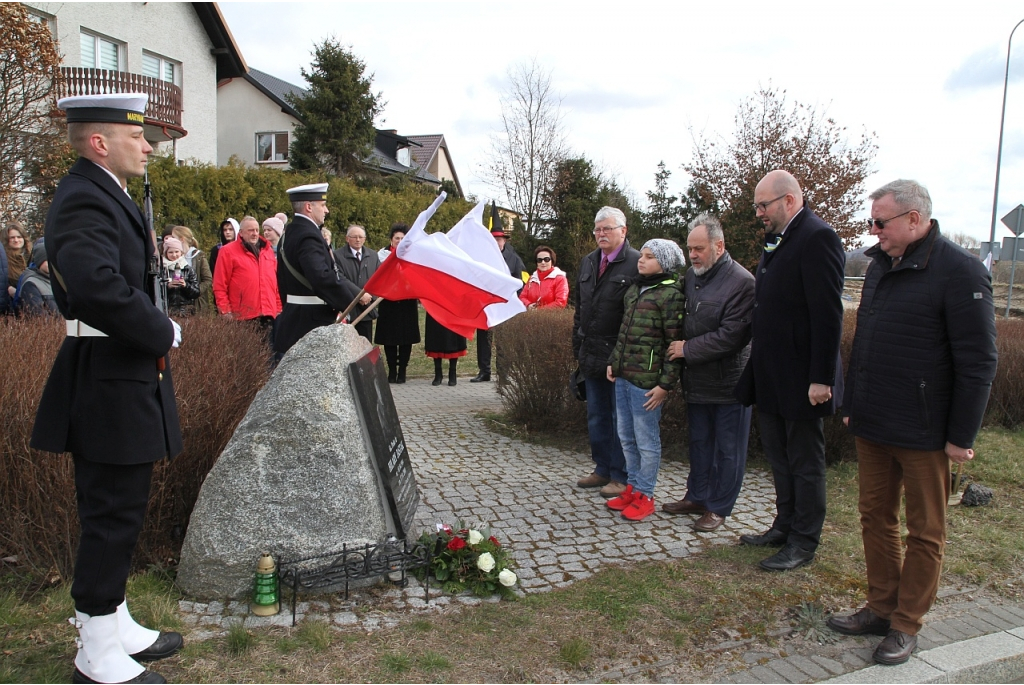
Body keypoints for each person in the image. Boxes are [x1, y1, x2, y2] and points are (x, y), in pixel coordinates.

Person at [30, 93, 183, 685]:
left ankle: (113, 623)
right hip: (106, 373)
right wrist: (159, 328)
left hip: (119, 371)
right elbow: (95, 284)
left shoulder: (103, 192)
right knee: (110, 512)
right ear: (100, 142)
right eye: (136, 136)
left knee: (123, 506)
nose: (147, 145)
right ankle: (95, 651)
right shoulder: (82, 198)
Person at [826, 180, 998, 665]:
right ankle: (881, 608)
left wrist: (961, 437)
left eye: (880, 222)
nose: (873, 231)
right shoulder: (880, 268)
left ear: (915, 219)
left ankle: (905, 624)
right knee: (875, 517)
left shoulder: (959, 272)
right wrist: (852, 403)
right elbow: (866, 345)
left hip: (927, 433)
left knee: (926, 532)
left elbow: (979, 361)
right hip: (875, 422)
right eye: (872, 222)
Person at [734, 169, 845, 572]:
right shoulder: (778, 240)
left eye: (764, 205)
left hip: (803, 377)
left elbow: (828, 314)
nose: (759, 212)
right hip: (773, 372)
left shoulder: (818, 237)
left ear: (790, 200)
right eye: (757, 206)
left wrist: (822, 377)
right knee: (779, 456)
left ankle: (803, 541)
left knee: (804, 461)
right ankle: (783, 525)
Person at [663, 215, 755, 532]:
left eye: (699, 249)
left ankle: (718, 507)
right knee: (699, 444)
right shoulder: (691, 276)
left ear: (719, 246)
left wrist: (687, 349)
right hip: (698, 382)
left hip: (729, 384)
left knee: (728, 451)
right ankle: (697, 496)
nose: (693, 255)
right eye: (690, 249)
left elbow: (733, 336)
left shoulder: (742, 282)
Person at [604, 239, 685, 521]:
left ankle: (646, 494)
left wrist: (665, 385)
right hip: (625, 376)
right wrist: (614, 362)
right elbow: (624, 330)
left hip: (648, 384)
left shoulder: (671, 294)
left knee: (646, 440)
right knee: (626, 437)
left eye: (650, 257)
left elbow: (673, 343)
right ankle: (632, 488)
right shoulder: (636, 288)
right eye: (643, 255)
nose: (642, 260)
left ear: (665, 263)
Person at [574, 206, 642, 499]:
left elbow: (638, 315)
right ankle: (602, 468)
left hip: (619, 358)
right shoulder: (588, 262)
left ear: (623, 231)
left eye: (607, 229)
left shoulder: (637, 263)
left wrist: (622, 356)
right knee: (597, 416)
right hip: (590, 354)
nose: (601, 234)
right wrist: (577, 346)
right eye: (597, 229)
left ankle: (620, 475)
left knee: (620, 420)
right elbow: (580, 310)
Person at [273, 183, 361, 356]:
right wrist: (349, 303)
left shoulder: (290, 232)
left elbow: (282, 279)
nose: (326, 210)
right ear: (308, 207)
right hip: (311, 322)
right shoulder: (308, 236)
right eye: (322, 205)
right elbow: (321, 276)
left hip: (294, 316)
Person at [470, 211, 525, 383]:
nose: (496, 242)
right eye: (493, 239)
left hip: (504, 305)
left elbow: (522, 280)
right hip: (486, 305)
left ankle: (503, 374)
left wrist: (513, 298)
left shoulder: (514, 259)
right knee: (484, 341)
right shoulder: (481, 258)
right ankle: (484, 371)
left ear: (504, 241)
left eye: (499, 239)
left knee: (503, 342)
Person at [213, 216, 281, 344]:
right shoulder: (227, 252)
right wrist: (225, 310)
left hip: (268, 314)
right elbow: (220, 284)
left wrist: (278, 307)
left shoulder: (267, 251)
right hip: (242, 316)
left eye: (256, 230)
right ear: (241, 233)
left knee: (269, 358)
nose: (255, 233)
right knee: (248, 358)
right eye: (250, 230)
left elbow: (275, 282)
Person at [374, 223, 420, 383]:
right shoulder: (381, 256)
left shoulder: (413, 256)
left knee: (406, 339)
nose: (399, 241)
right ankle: (392, 370)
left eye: (402, 239)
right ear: (391, 240)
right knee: (390, 339)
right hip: (388, 303)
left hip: (407, 302)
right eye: (397, 238)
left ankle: (402, 371)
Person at [334, 224, 380, 341]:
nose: (358, 240)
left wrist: (369, 297)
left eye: (360, 237)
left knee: (365, 345)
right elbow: (339, 277)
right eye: (354, 237)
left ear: (364, 239)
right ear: (347, 238)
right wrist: (359, 295)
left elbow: (378, 278)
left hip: (366, 309)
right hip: (348, 308)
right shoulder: (338, 256)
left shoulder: (373, 256)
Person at [170, 226, 212, 313]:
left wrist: (195, 291)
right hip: (177, 305)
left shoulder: (198, 257)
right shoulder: (173, 256)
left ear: (181, 239)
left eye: (174, 238)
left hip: (196, 304)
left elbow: (208, 279)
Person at [16, 240, 59, 316]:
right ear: (39, 261)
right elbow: (37, 315)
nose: (51, 263)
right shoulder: (31, 284)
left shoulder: (59, 281)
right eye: (47, 260)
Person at [519, 245, 569, 310]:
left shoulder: (560, 278)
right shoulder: (531, 278)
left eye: (546, 259)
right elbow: (522, 297)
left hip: (551, 318)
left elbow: (561, 302)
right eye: (539, 260)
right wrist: (528, 305)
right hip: (530, 317)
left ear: (552, 261)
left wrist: (539, 310)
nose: (543, 262)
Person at [163, 236, 200, 317]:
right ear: (166, 253)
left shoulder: (188, 269)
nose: (174, 255)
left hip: (186, 312)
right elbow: (155, 292)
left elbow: (196, 293)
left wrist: (185, 285)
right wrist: (167, 286)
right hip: (167, 312)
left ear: (181, 252)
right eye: (170, 252)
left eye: (176, 251)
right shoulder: (162, 270)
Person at [425, 314, 466, 386]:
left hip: (453, 309)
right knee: (436, 338)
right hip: (436, 308)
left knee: (453, 338)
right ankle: (438, 373)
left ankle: (452, 373)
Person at [6, 220, 32, 297]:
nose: (16, 240)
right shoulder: (3, 258)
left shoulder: (32, 255)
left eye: (19, 237)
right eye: (12, 237)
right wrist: (8, 288)